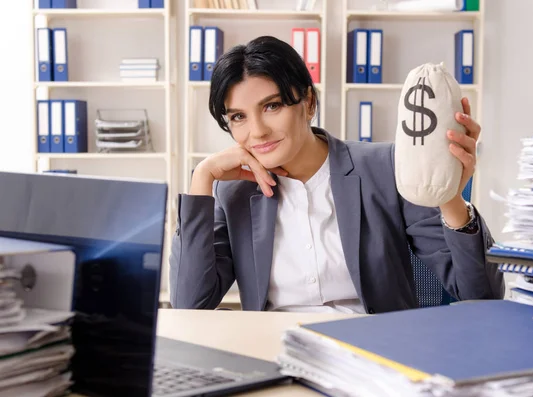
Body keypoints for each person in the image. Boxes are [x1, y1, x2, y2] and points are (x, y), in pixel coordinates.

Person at [169, 35, 504, 314]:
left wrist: (450, 202)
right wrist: (202, 180)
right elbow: (190, 305)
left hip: (375, 359)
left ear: (309, 103)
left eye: (272, 106)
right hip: (276, 355)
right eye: (238, 117)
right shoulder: (234, 192)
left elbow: (482, 295)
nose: (257, 131)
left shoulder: (386, 167)